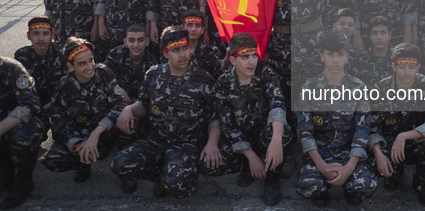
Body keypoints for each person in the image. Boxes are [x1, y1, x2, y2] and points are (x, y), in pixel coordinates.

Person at [112, 26, 225, 198]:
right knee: (120, 164)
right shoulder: (153, 75)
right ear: (165, 53)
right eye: (176, 50)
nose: (182, 54)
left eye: (185, 48)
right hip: (157, 139)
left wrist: (212, 143)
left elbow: (214, 118)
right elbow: (144, 104)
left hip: (187, 145)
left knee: (178, 188)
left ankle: (172, 176)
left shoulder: (204, 80)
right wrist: (129, 109)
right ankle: (161, 176)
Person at [295, 31, 377, 206]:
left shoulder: (358, 87)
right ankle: (321, 193)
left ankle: (350, 190)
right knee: (308, 186)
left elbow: (362, 130)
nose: (335, 60)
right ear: (322, 57)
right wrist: (322, 166)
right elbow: (305, 132)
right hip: (320, 155)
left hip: (348, 155)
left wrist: (349, 167)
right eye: (330, 54)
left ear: (347, 57)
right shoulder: (309, 87)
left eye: (340, 55)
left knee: (366, 186)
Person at [214, 33, 293, 206]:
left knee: (282, 133)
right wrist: (250, 156)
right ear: (233, 60)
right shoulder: (223, 82)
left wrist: (277, 140)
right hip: (241, 137)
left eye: (254, 55)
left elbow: (277, 104)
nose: (252, 62)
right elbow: (227, 124)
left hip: (263, 133)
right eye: (245, 57)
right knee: (210, 163)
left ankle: (272, 178)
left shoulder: (266, 73)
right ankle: (247, 164)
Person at [44, 37, 126, 183]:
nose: (90, 67)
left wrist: (95, 134)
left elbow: (120, 104)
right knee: (54, 160)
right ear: (70, 66)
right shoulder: (63, 87)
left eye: (91, 60)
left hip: (104, 130)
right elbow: (58, 125)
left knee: (128, 124)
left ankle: (126, 170)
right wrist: (78, 145)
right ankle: (82, 162)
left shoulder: (103, 73)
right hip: (80, 135)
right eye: (82, 63)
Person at [369, 43, 425, 206]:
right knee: (376, 165)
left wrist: (403, 136)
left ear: (418, 67)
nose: (407, 72)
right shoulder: (379, 89)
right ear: (394, 66)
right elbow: (372, 129)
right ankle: (396, 172)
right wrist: (379, 154)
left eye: (412, 67)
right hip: (389, 141)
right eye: (402, 67)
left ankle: (422, 185)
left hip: (417, 138)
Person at [0, 57, 45, 209]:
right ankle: (5, 173)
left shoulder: (12, 68)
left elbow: (30, 104)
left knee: (22, 135)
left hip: (24, 121)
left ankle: (23, 179)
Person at [14, 16, 68, 115]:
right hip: (29, 106)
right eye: (36, 33)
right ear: (28, 36)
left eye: (46, 33)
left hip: (57, 105)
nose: (41, 39)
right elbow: (18, 88)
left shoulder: (62, 55)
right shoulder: (21, 55)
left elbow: (67, 91)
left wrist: (40, 110)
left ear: (52, 35)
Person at [103, 24, 157, 105]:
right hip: (114, 99)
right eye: (131, 40)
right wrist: (117, 89)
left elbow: (149, 95)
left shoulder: (152, 65)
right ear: (125, 42)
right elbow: (103, 76)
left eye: (140, 40)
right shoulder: (116, 54)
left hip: (139, 106)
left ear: (147, 41)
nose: (136, 45)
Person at [180, 9, 225, 79]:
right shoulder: (174, 50)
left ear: (202, 30)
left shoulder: (211, 51)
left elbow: (219, 75)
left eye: (198, 25)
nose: (193, 29)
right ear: (182, 28)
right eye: (189, 25)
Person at [351, 16, 393, 86]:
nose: (379, 37)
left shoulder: (397, 59)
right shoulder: (361, 60)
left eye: (383, 33)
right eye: (374, 33)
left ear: (390, 35)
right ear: (370, 36)